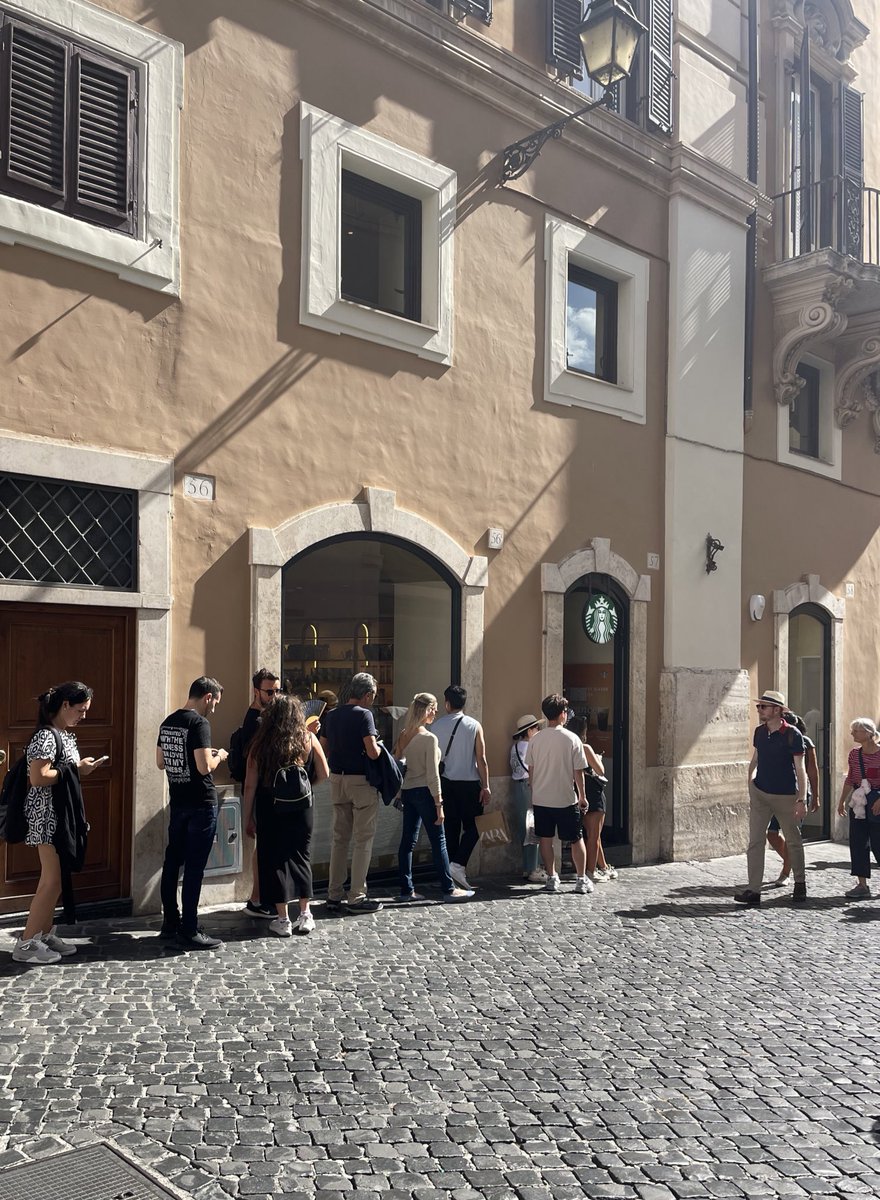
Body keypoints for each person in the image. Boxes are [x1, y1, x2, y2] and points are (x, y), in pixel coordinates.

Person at [12, 682, 104, 966]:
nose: (83, 716)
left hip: (60, 816)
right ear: (64, 705)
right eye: (80, 710)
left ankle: (42, 935)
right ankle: (27, 943)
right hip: (48, 818)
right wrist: (75, 769)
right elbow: (38, 777)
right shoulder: (46, 736)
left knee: (57, 880)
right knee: (51, 881)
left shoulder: (63, 735)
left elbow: (62, 772)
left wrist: (81, 769)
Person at [243, 694, 329, 936]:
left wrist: (247, 817)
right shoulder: (308, 738)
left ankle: (282, 920)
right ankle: (305, 914)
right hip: (302, 808)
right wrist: (304, 786)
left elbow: (250, 786)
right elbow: (325, 773)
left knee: (273, 860)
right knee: (301, 856)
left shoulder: (261, 744)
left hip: (271, 808)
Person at [157, 676, 228, 949]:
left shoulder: (168, 721)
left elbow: (160, 762)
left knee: (172, 862)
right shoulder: (200, 723)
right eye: (215, 703)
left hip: (178, 802)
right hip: (201, 803)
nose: (214, 709)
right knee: (195, 867)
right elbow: (203, 767)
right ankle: (189, 928)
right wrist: (218, 755)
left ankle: (170, 922)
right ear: (207, 697)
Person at [394, 693, 473, 902]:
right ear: (426, 710)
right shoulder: (429, 738)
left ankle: (406, 889)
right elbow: (433, 775)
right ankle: (448, 888)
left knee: (407, 842)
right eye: (433, 708)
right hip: (425, 793)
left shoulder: (404, 734)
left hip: (409, 791)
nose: (436, 712)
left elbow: (398, 762)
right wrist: (439, 804)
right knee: (439, 841)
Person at [735, 689, 808, 907]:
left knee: (794, 841)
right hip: (760, 793)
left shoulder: (792, 734)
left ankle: (800, 883)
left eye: (763, 706)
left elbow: (800, 768)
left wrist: (802, 799)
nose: (759, 710)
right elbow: (756, 759)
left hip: (786, 795)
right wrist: (750, 782)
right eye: (759, 706)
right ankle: (754, 890)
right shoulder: (759, 732)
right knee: (755, 842)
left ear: (777, 710)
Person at [319, 672, 383, 913]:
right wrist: (378, 745)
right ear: (366, 695)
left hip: (337, 780)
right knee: (363, 840)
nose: (373, 701)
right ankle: (356, 896)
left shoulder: (332, 716)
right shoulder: (365, 714)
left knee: (339, 840)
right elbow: (373, 752)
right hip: (360, 782)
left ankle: (334, 894)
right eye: (373, 696)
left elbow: (323, 749)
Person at [524, 695, 592, 895]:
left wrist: (534, 790)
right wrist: (582, 796)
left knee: (545, 838)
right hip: (565, 798)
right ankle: (581, 879)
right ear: (563, 714)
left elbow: (531, 770)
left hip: (542, 798)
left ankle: (552, 877)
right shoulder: (572, 739)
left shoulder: (536, 739)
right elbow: (578, 771)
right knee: (575, 838)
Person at [429, 685, 491, 891]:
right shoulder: (474, 725)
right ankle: (458, 865)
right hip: (470, 783)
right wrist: (486, 785)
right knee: (474, 826)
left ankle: (452, 870)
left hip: (446, 782)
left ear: (447, 703)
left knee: (451, 829)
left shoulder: (436, 726)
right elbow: (481, 758)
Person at [232, 668, 283, 919]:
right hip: (260, 791)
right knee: (262, 848)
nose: (274, 696)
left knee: (265, 847)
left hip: (266, 791)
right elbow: (252, 768)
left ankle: (260, 897)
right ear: (256, 691)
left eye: (278, 690)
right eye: (269, 691)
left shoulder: (266, 715)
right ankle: (256, 899)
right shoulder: (254, 719)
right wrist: (248, 814)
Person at [766, 711, 819, 886]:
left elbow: (812, 770)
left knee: (792, 835)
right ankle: (792, 862)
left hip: (798, 794)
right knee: (772, 834)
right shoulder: (771, 739)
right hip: (777, 793)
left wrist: (815, 796)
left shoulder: (805, 742)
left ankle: (786, 872)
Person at [566, 714, 617, 884]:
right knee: (594, 836)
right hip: (592, 794)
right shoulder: (584, 747)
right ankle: (590, 871)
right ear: (583, 732)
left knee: (588, 835)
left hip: (575, 793)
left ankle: (602, 867)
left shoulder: (567, 747)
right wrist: (597, 759)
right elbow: (601, 770)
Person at [836, 717, 880, 899]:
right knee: (858, 842)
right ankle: (862, 884)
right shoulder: (854, 754)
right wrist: (841, 801)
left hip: (877, 801)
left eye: (856, 730)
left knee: (878, 842)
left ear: (868, 734)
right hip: (858, 803)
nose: (852, 733)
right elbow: (850, 779)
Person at [510, 714, 545, 883]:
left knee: (523, 830)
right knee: (532, 828)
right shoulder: (530, 747)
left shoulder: (515, 747)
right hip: (529, 787)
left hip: (518, 788)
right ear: (530, 731)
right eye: (537, 728)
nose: (539, 731)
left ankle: (527, 866)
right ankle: (533, 868)